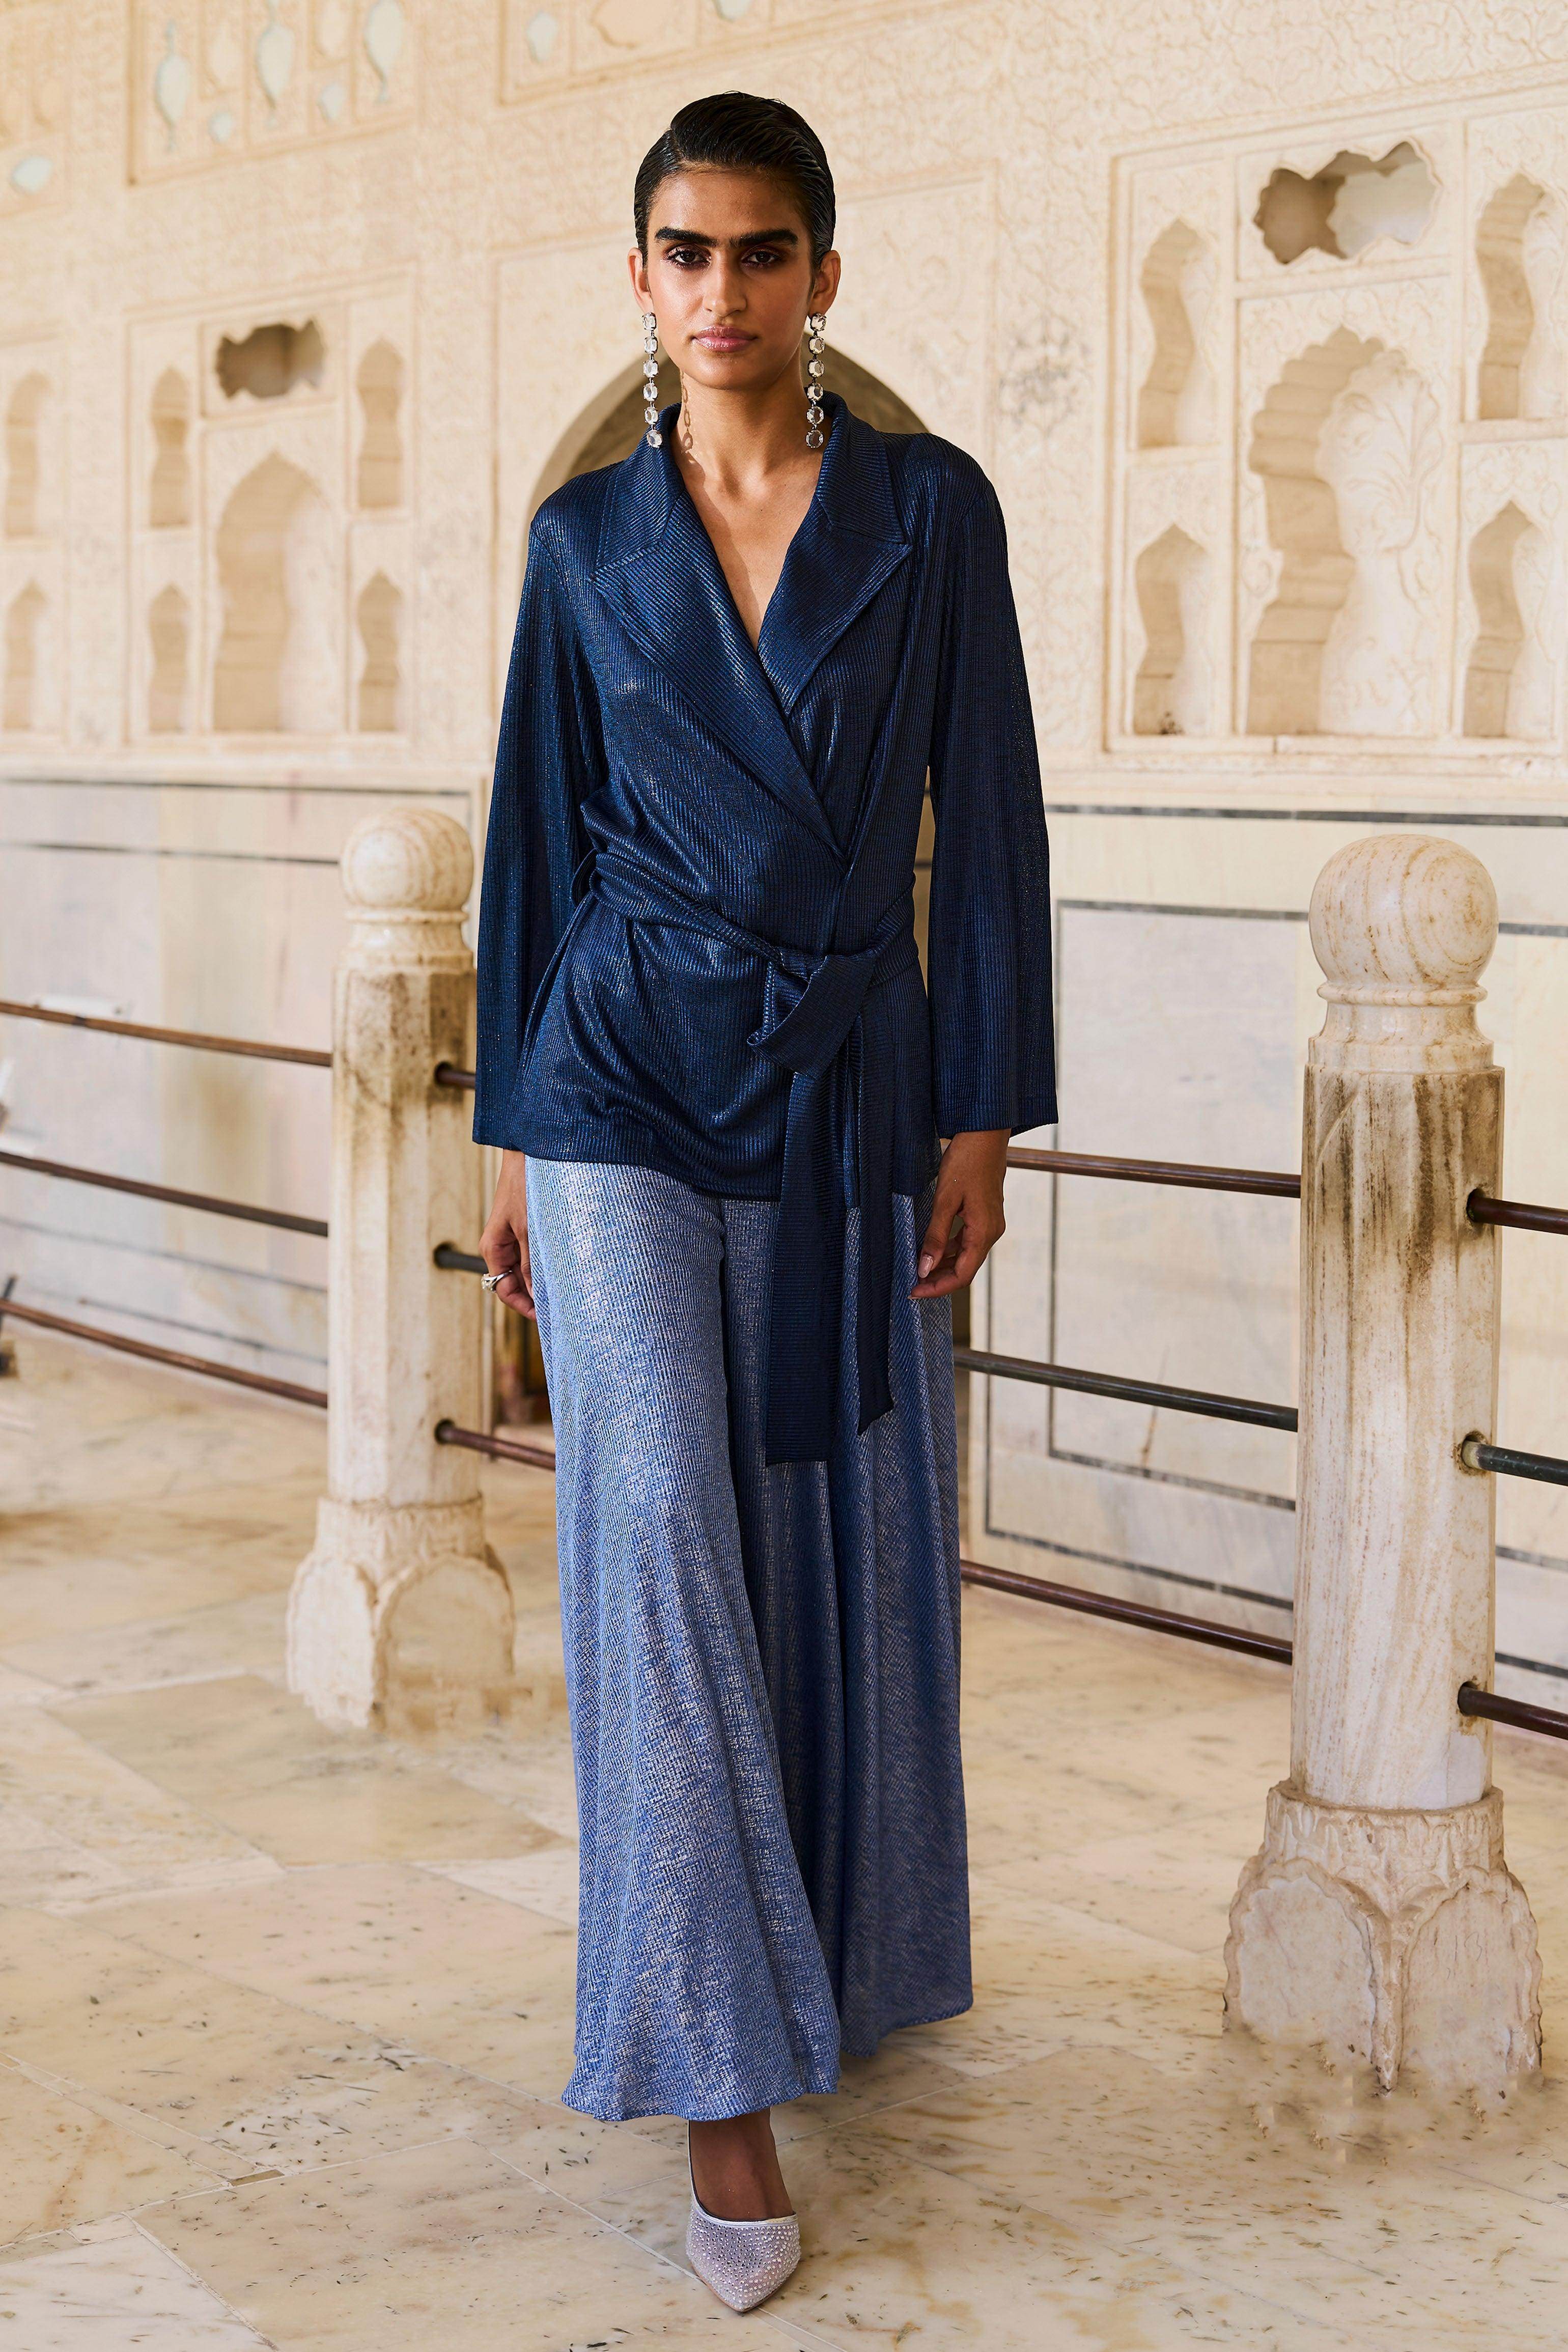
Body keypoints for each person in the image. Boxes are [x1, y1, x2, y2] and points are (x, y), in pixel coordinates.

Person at [473, 89, 1056, 2314]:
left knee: (840, 1523)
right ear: (638, 276)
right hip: (615, 1076)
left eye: (760, 250)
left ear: (823, 272)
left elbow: (985, 812)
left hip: (847, 1078)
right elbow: (537, 840)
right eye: (684, 251)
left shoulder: (931, 510)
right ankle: (718, 2071)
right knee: (652, 1530)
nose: (720, 289)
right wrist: (509, 1138)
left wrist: (980, 1112)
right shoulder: (583, 547)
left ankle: (842, 1953)